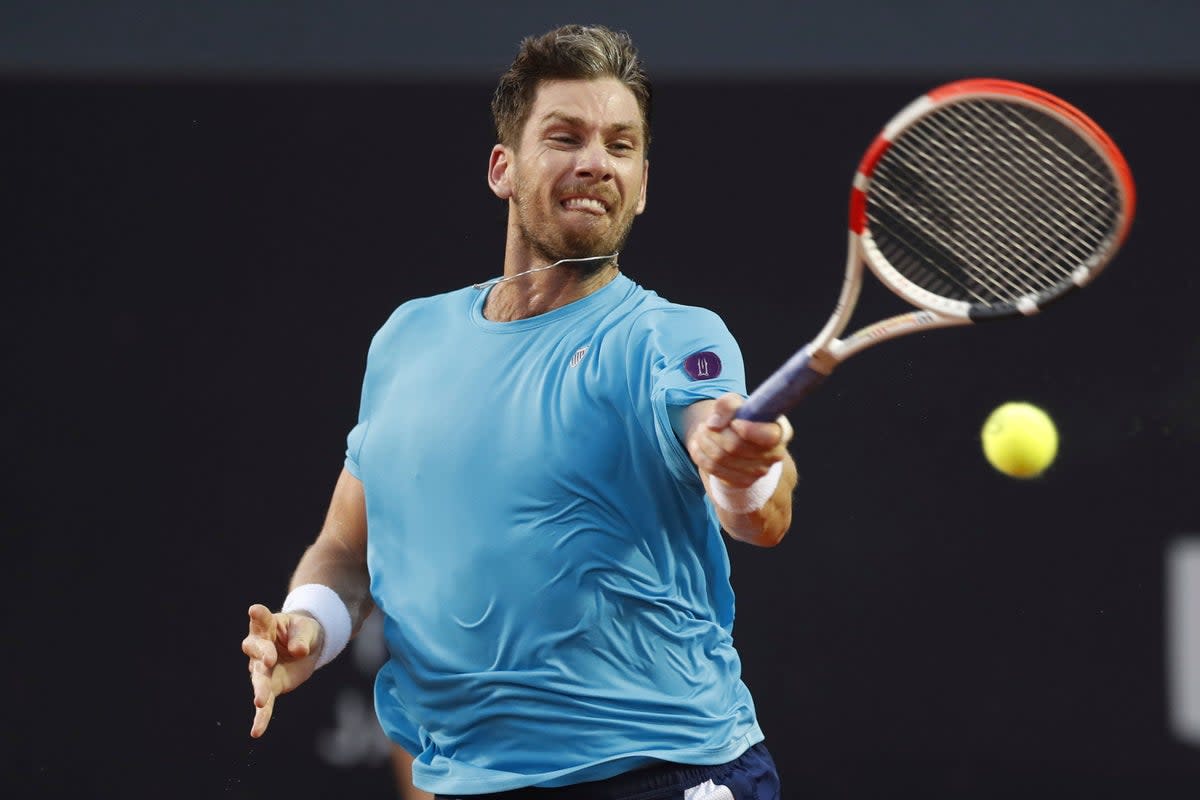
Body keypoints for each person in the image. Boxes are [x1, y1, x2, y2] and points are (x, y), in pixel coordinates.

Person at [242, 23, 796, 799]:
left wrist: (743, 472)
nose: (595, 162)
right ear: (503, 167)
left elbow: (748, 497)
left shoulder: (674, 338)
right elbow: (345, 547)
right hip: (469, 783)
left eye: (621, 146)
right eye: (565, 137)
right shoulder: (409, 337)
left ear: (642, 184)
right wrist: (310, 626)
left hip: (667, 774)